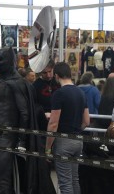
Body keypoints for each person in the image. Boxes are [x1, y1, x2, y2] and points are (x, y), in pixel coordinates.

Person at [0, 47, 41, 194]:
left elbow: (24, 113)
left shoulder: (17, 83)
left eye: (0, 60)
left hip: (6, 138)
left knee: (4, 184)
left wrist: (21, 141)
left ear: (10, 61)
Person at [45, 62, 90, 194]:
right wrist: (75, 128)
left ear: (57, 76)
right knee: (74, 180)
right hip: (78, 141)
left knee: (65, 184)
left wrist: (48, 147)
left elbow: (53, 124)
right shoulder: (81, 93)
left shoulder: (59, 94)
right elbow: (87, 121)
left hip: (63, 142)